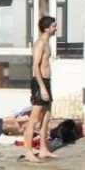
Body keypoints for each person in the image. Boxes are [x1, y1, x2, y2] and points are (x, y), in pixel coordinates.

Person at [24, 16, 58, 162]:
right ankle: (28, 151)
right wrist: (43, 88)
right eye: (54, 26)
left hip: (46, 81)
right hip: (39, 83)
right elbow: (35, 67)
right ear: (46, 28)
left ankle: (43, 149)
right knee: (34, 119)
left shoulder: (47, 43)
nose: (56, 28)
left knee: (46, 117)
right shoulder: (40, 44)